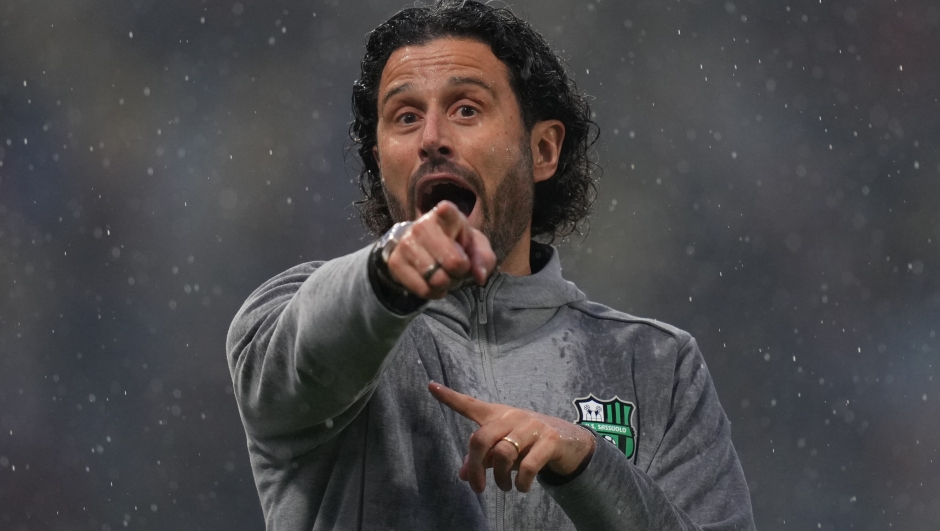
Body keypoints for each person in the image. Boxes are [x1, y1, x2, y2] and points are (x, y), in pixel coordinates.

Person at [226, 1, 756, 529]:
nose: (431, 138)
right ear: (379, 159)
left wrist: (589, 465)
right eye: (405, 117)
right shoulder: (284, 318)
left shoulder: (658, 367)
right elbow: (306, 361)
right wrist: (386, 274)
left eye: (466, 109)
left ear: (543, 149)